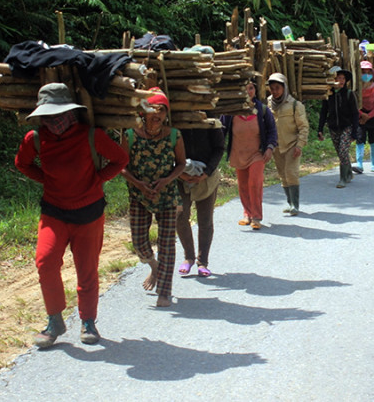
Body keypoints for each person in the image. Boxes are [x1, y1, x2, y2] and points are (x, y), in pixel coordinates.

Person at [14, 83, 129, 348]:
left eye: (58, 114)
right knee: (45, 262)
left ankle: (88, 321)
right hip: (54, 212)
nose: (53, 120)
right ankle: (55, 320)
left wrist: (97, 180)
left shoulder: (91, 135)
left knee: (86, 270)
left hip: (89, 213)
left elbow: (120, 159)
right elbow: (22, 163)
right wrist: (47, 180)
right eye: (48, 115)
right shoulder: (36, 138)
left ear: (69, 112)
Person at [120, 88, 186, 307]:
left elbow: (181, 164)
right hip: (139, 196)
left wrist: (166, 180)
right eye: (153, 109)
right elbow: (121, 166)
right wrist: (139, 184)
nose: (157, 114)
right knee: (139, 242)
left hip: (167, 196)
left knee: (167, 244)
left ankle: (164, 292)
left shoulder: (174, 135)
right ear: (143, 112)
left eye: (162, 110)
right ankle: (154, 266)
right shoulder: (130, 135)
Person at [221, 79, 277, 230]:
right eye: (245, 89)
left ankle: (256, 217)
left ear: (255, 90)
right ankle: (247, 214)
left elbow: (272, 131)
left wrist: (270, 147)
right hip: (238, 153)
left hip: (257, 154)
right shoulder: (232, 111)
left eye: (251, 88)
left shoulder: (263, 110)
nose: (248, 92)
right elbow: (221, 130)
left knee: (254, 182)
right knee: (243, 185)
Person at [176, 125, 224, 277]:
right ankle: (188, 257)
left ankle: (202, 262)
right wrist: (180, 173)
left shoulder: (210, 121)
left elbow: (219, 148)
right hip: (179, 176)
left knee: (205, 220)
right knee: (180, 216)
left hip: (207, 177)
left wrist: (207, 172)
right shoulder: (174, 120)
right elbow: (167, 148)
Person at [266, 73, 309, 215]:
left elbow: (303, 127)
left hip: (292, 145)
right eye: (272, 88)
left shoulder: (295, 105)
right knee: (283, 175)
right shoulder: (268, 103)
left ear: (284, 87)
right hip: (276, 146)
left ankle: (295, 205)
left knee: (291, 173)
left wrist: (299, 145)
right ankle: (290, 202)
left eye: (277, 88)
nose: (275, 91)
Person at [317, 67, 359, 188]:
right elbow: (324, 112)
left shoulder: (349, 94)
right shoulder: (328, 95)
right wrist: (320, 129)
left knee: (343, 151)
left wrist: (355, 132)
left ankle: (343, 178)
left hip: (347, 127)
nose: (341, 81)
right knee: (341, 153)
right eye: (338, 78)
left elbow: (355, 114)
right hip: (333, 128)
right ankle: (349, 172)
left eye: (343, 78)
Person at [354, 60, 374, 173]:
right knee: (360, 139)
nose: (366, 74)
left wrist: (368, 116)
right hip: (360, 116)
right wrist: (361, 114)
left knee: (373, 140)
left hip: (373, 116)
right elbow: (353, 104)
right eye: (363, 72)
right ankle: (359, 164)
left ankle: (373, 164)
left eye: (368, 72)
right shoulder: (355, 88)